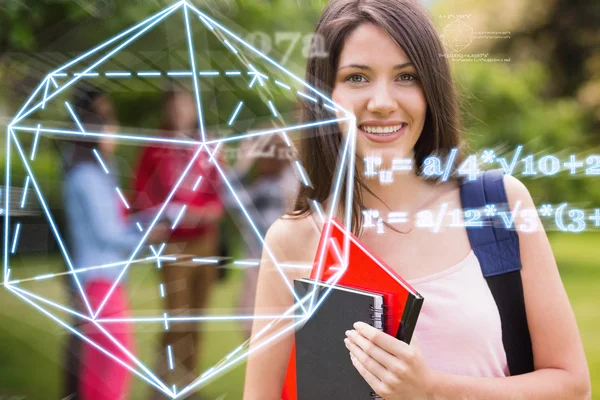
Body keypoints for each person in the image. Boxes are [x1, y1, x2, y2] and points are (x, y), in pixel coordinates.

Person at [243, 1, 591, 399]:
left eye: (406, 76)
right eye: (357, 77)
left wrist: (431, 390)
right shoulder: (295, 240)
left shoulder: (499, 205)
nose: (382, 102)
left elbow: (572, 385)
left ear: (431, 89)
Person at [62, 87, 167, 400]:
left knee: (99, 362)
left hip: (100, 281)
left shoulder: (96, 173)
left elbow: (115, 225)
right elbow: (109, 233)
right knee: (116, 358)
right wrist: (148, 232)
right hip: (99, 281)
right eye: (108, 120)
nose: (115, 128)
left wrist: (145, 222)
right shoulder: (87, 177)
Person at [133, 89, 224, 398]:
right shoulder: (155, 148)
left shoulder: (206, 146)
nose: (181, 111)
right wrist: (163, 218)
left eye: (186, 105)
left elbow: (220, 192)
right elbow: (142, 196)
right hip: (174, 245)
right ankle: (162, 386)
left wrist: (209, 212)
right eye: (175, 105)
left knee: (197, 317)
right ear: (167, 110)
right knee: (177, 318)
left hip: (205, 242)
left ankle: (189, 386)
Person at [225, 133, 299, 337]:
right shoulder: (292, 180)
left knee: (257, 332)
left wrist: (241, 165)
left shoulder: (269, 189)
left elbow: (233, 200)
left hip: (263, 267)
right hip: (288, 267)